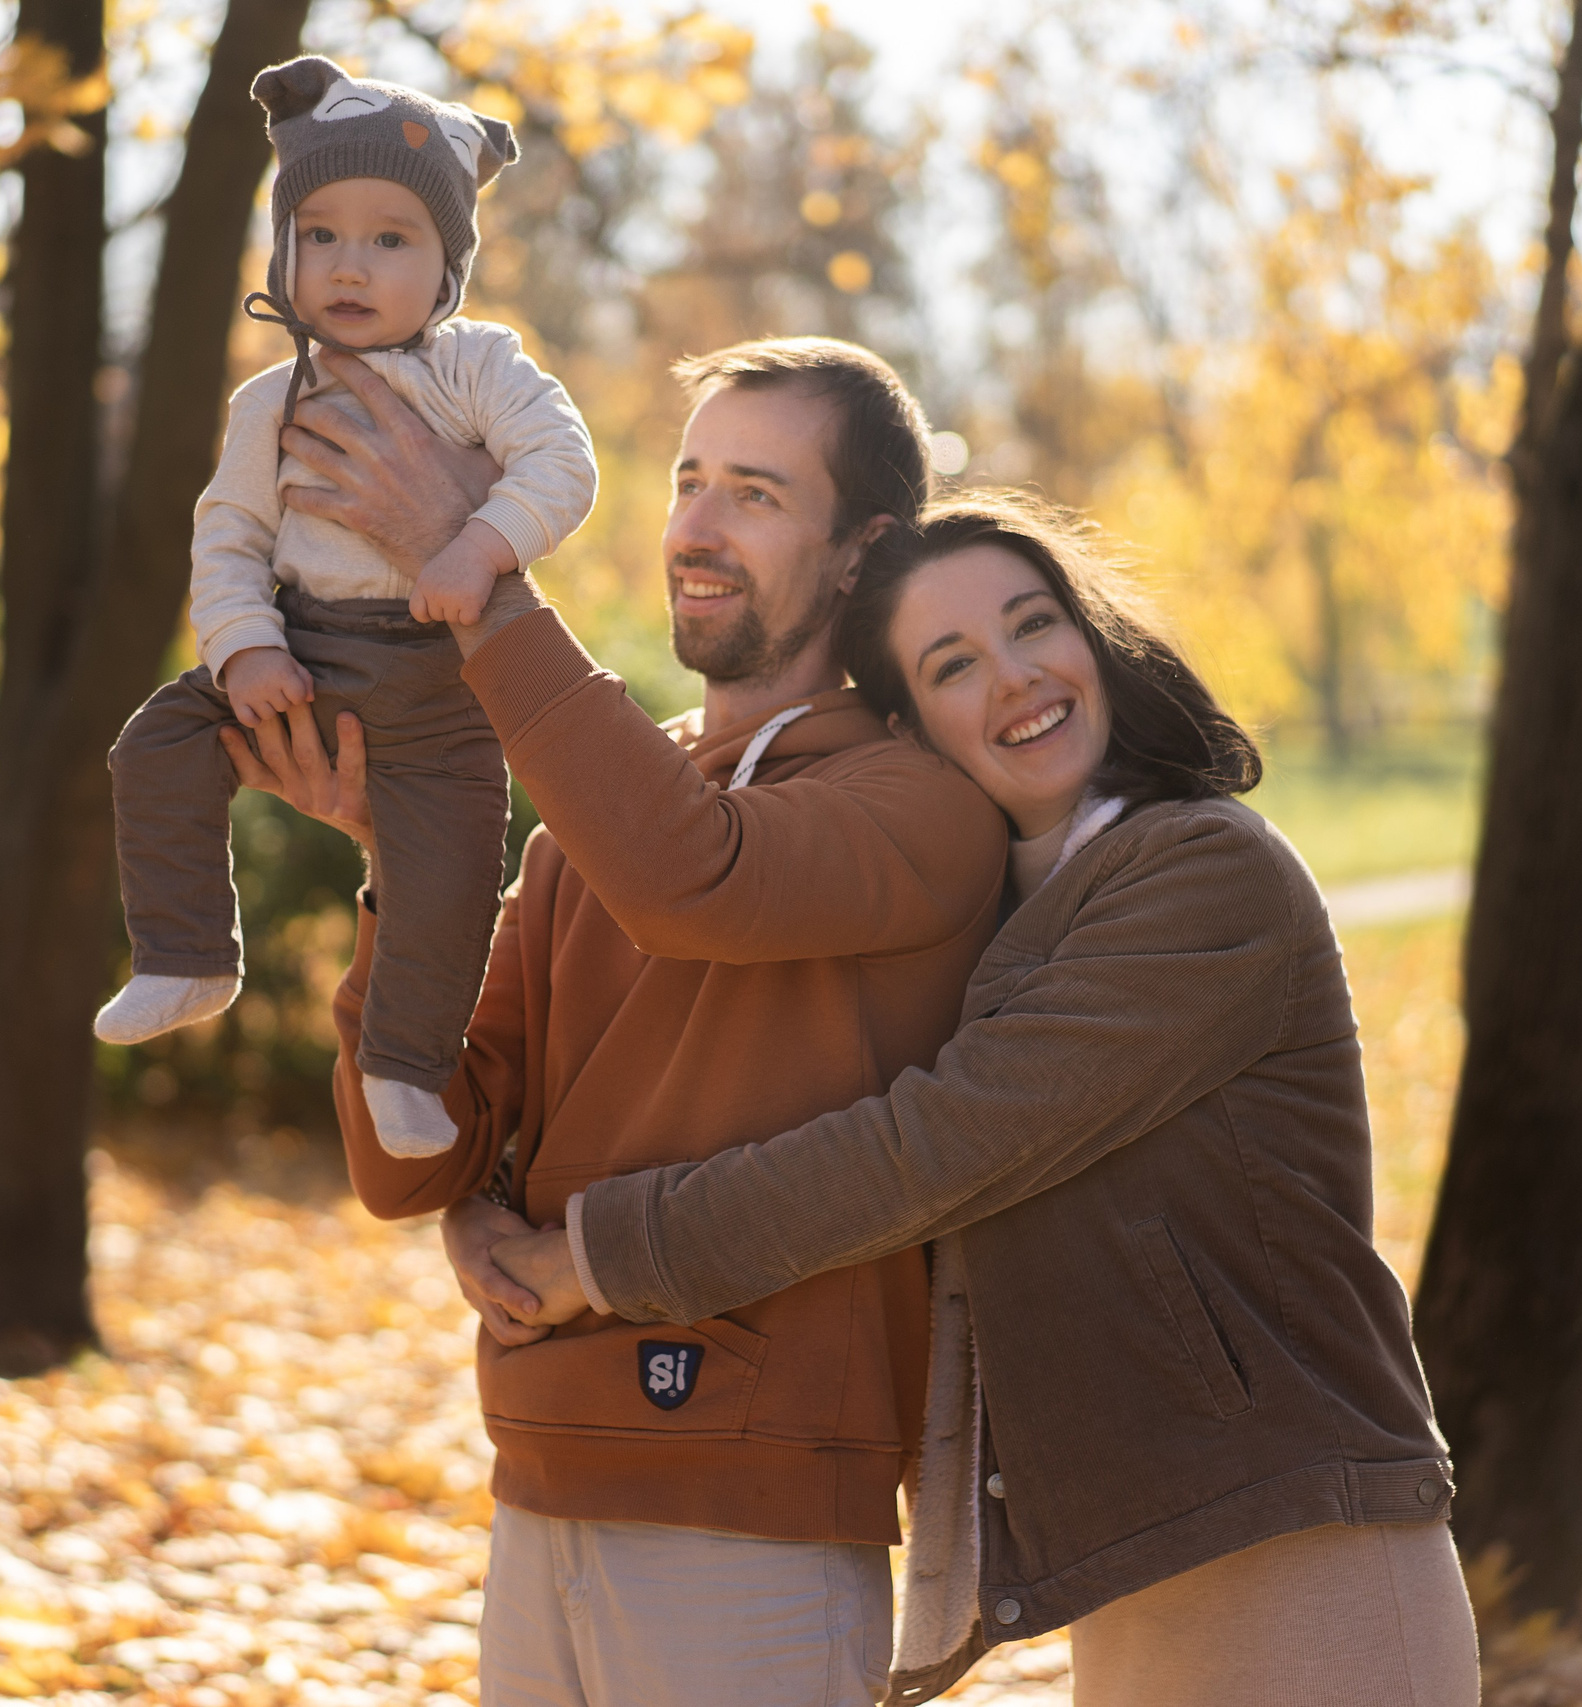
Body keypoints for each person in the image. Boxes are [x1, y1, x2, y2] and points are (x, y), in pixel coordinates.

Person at [478, 494, 1483, 1707]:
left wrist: (603, 1253)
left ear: (1092, 637)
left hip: (1303, 1537)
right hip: (1139, 1557)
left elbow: (931, 1148)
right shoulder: (984, 922)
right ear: (910, 728)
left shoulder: (1206, 872)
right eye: (954, 663)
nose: (1015, 677)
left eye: (1033, 624)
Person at [227, 340, 1009, 1707]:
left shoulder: (922, 806)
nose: (697, 527)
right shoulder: (584, 840)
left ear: (861, 551)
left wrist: (477, 572)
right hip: (538, 1473)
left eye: (756, 493)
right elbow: (411, 1164)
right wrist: (402, 869)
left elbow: (692, 876)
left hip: (756, 1516)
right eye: (689, 482)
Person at [99, 55, 597, 1162]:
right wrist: (244, 650)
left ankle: (407, 1069)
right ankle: (186, 956)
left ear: (449, 266)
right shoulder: (270, 399)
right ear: (284, 249)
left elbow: (564, 466)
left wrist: (478, 545)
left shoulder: (479, 367)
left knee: (450, 871)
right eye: (318, 233)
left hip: (438, 683)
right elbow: (230, 534)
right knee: (156, 745)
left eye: (391, 239)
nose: (349, 265)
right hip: (302, 652)